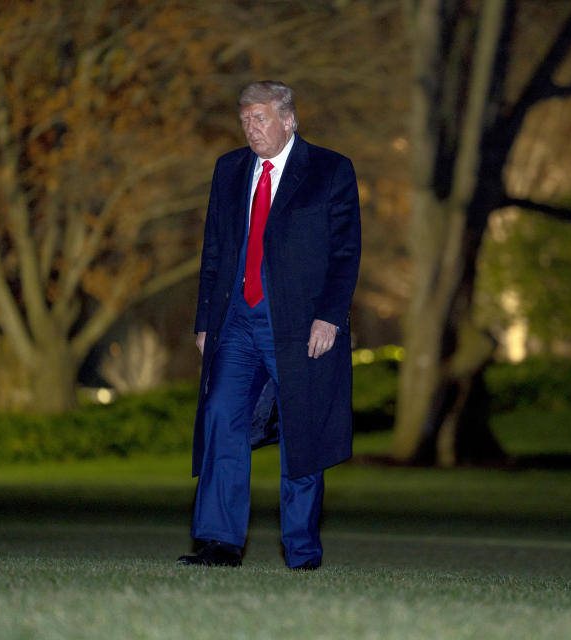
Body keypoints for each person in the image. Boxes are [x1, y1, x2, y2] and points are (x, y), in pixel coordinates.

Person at [177, 81, 361, 570]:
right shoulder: (230, 170)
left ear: (289, 120)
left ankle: (301, 551)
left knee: (303, 431)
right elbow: (214, 249)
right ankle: (219, 542)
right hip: (236, 320)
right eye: (245, 120)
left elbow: (345, 253)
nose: (251, 128)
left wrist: (330, 315)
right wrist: (204, 321)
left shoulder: (330, 170)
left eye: (260, 118)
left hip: (299, 324)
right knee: (221, 415)